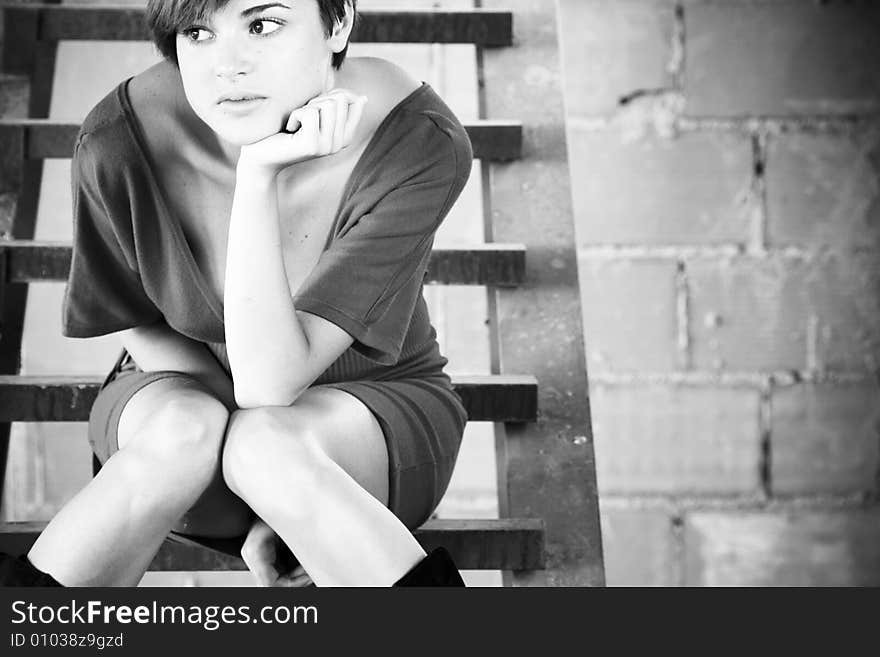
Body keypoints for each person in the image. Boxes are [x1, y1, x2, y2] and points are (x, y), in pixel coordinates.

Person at [0, 0, 471, 587]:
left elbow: (271, 384)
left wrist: (257, 178)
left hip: (367, 426)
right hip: (179, 393)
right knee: (187, 433)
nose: (228, 65)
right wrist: (248, 473)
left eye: (263, 24)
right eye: (198, 32)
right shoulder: (118, 138)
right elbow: (129, 312)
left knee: (267, 445)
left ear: (340, 21)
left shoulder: (418, 140)